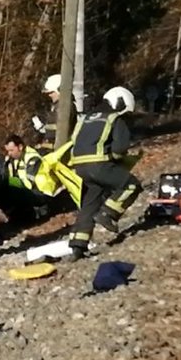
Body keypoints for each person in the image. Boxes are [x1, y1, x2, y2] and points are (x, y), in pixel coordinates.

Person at [66, 86, 141, 262]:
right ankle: (109, 213)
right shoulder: (115, 118)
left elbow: (74, 141)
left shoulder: (85, 119)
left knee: (90, 202)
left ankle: (77, 246)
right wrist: (117, 160)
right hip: (99, 165)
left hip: (80, 167)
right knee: (131, 185)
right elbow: (120, 149)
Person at [32, 74, 61, 153]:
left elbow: (61, 135)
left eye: (51, 92)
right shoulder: (55, 107)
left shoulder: (63, 108)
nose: (49, 95)